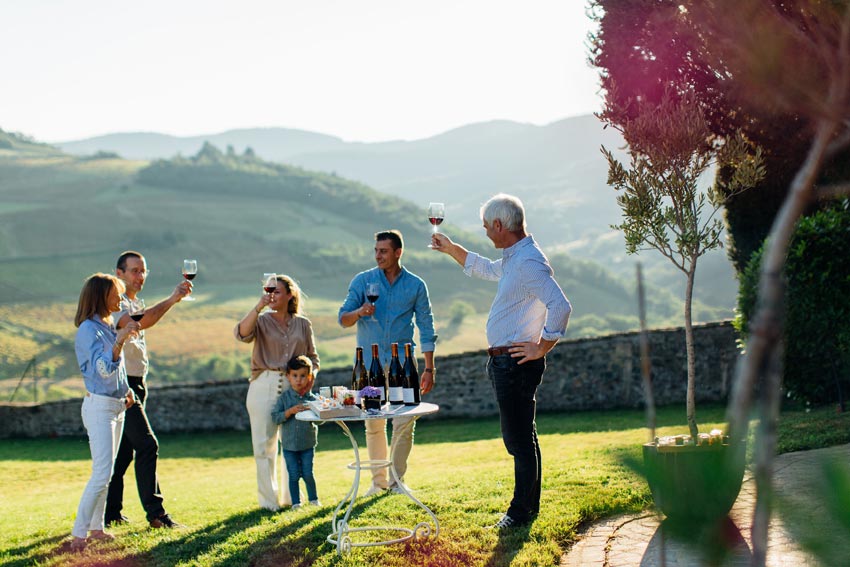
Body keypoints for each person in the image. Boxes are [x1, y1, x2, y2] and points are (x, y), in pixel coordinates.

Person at [431, 194, 571, 529]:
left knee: (518, 441)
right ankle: (529, 508)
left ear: (499, 225)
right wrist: (451, 248)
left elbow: (561, 305)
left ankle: (518, 513)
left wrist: (542, 346)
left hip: (516, 363)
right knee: (525, 437)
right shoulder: (515, 257)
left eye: (485, 227)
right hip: (506, 362)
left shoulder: (528, 262)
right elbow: (485, 268)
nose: (485, 233)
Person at [338, 229, 437, 496]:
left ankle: (396, 481)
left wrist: (429, 367)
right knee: (373, 423)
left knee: (405, 422)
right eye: (376, 251)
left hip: (404, 366)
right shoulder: (363, 281)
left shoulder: (416, 285)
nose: (378, 255)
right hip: (368, 367)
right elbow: (343, 318)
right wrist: (360, 312)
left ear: (398, 252)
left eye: (383, 251)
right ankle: (378, 482)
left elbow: (427, 327)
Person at [105, 251, 191, 529]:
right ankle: (156, 514)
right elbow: (142, 322)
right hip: (122, 384)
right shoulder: (115, 303)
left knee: (124, 453)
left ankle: (111, 513)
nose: (140, 276)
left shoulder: (134, 301)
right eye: (134, 271)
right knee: (148, 444)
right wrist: (173, 299)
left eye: (143, 271)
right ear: (119, 273)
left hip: (137, 382)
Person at [235, 274, 320, 511]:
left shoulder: (303, 324)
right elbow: (241, 334)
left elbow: (313, 358)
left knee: (293, 443)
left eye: (278, 292)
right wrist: (259, 306)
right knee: (264, 445)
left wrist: (309, 378)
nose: (272, 295)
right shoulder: (261, 321)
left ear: (290, 294)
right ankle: (268, 502)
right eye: (270, 292)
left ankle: (290, 499)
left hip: (295, 387)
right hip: (264, 383)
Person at [71, 273, 141, 551]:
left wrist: (126, 390)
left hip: (115, 405)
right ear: (102, 296)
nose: (121, 299)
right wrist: (120, 340)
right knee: (101, 473)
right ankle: (79, 534)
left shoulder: (106, 325)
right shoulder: (89, 329)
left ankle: (97, 528)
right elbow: (102, 368)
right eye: (117, 294)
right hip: (99, 407)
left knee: (108, 472)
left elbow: (117, 372)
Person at [270, 355, 321, 509]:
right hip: (289, 445)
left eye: (303, 376)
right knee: (293, 475)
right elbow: (275, 417)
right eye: (295, 376)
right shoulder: (284, 399)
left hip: (307, 444)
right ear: (288, 376)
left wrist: (314, 410)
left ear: (309, 377)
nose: (299, 380)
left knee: (307, 473)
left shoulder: (312, 399)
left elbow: (321, 419)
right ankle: (296, 503)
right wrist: (289, 412)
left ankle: (313, 500)